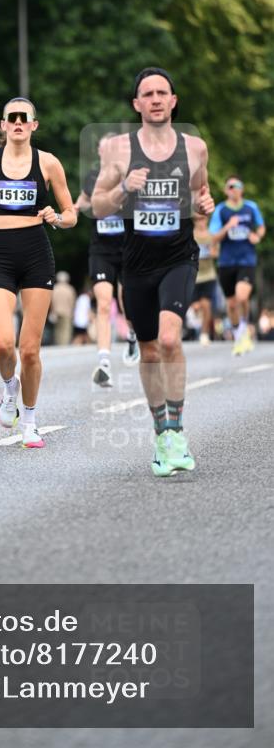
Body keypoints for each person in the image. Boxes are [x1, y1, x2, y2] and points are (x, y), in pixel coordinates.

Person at [92, 67, 214, 478]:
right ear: (137, 104)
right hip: (137, 263)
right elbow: (99, 206)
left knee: (167, 340)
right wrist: (125, 187)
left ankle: (176, 430)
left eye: (163, 92)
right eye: (149, 93)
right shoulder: (119, 151)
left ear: (173, 101)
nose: (157, 98)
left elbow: (201, 191)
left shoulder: (195, 147)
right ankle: (161, 430)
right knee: (147, 351)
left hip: (179, 256)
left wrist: (204, 206)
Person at [0, 96, 76, 449]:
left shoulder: (48, 164)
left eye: (24, 118)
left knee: (29, 350)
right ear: (3, 124)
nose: (18, 123)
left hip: (36, 255)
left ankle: (30, 421)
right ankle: (9, 387)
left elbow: (71, 213)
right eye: (12, 118)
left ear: (34, 125)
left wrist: (56, 218)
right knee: (2, 344)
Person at [75, 133, 140, 386]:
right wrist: (63, 214)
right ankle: (104, 362)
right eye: (102, 150)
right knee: (103, 303)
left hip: (128, 249)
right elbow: (79, 203)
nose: (105, 154)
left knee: (128, 303)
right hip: (101, 250)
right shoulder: (93, 178)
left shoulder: (129, 176)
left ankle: (133, 335)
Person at [209, 176, 265, 355]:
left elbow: (261, 227)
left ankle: (246, 325)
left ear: (242, 189)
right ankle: (240, 336)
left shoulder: (251, 207)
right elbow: (214, 237)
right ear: (226, 190)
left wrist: (258, 236)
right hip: (226, 262)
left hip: (246, 260)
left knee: (242, 297)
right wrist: (228, 226)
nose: (234, 189)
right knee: (231, 304)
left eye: (237, 186)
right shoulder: (221, 210)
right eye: (231, 186)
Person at [190, 214, 217, 345]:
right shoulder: (190, 236)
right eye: (198, 220)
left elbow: (216, 252)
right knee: (196, 306)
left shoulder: (211, 236)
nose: (201, 222)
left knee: (206, 306)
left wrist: (212, 253)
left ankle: (204, 333)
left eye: (203, 219)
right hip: (194, 276)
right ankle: (194, 322)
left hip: (208, 275)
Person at [49, 270, 75, 346]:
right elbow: (72, 302)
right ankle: (64, 345)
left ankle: (58, 344)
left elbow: (51, 301)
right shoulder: (70, 289)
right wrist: (72, 311)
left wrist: (52, 310)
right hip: (67, 312)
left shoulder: (54, 288)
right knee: (66, 330)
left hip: (56, 312)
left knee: (57, 329)